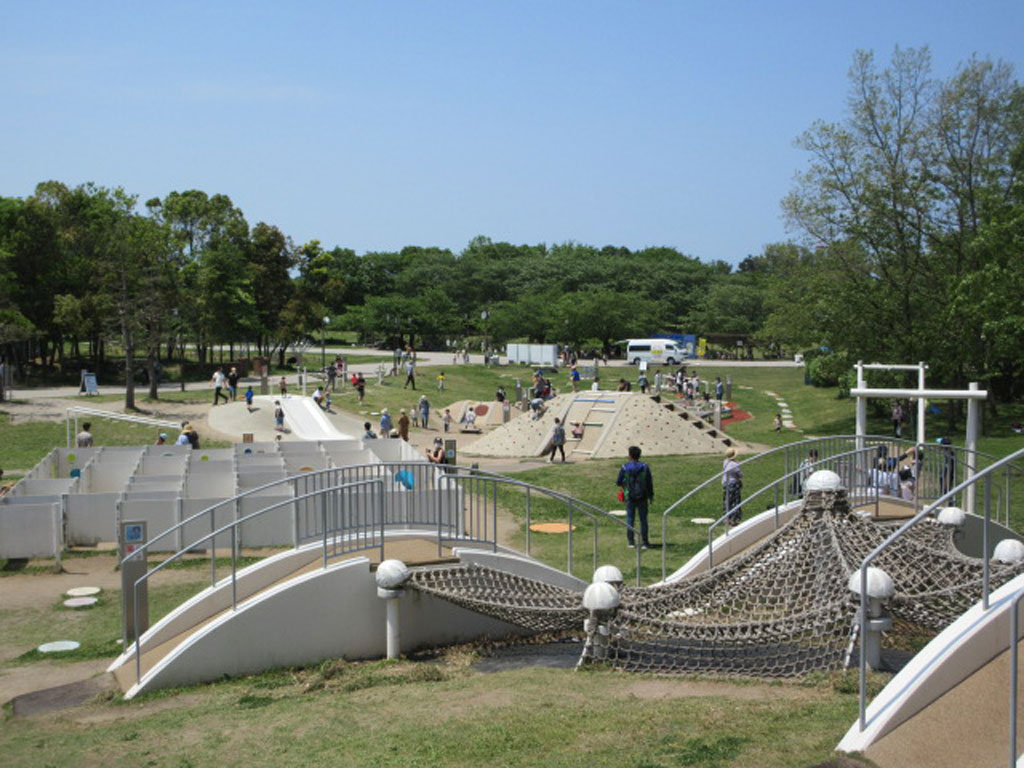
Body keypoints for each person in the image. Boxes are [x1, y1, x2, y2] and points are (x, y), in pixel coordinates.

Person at [616, 446, 654, 549]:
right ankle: (645, 542)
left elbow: (619, 481)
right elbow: (649, 482)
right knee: (643, 520)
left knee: (630, 519)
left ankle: (631, 542)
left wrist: (625, 487)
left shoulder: (625, 467)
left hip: (630, 496)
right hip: (643, 496)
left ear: (630, 455)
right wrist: (651, 496)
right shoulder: (645, 467)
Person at [722, 447, 743, 525]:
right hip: (733, 483)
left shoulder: (725, 462)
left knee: (727, 500)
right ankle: (734, 519)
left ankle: (726, 517)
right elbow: (740, 474)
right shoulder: (734, 465)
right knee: (735, 501)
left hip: (726, 483)